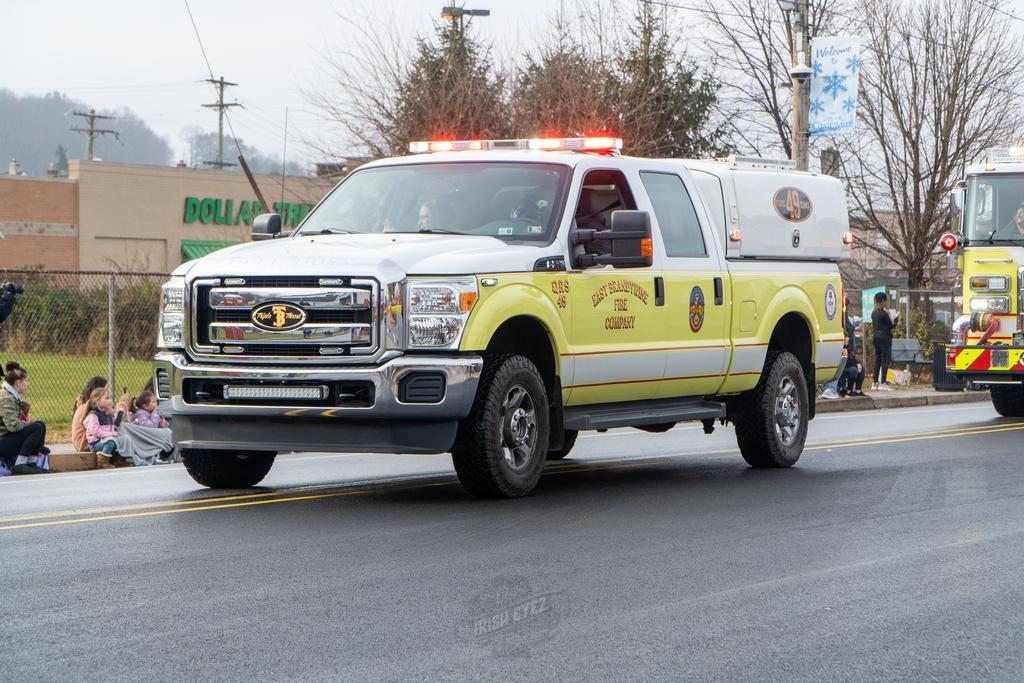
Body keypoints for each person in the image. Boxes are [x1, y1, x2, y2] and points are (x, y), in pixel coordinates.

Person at [0, 361, 48, 474]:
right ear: (18, 382)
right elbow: (13, 426)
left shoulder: (11, 395)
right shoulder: (6, 397)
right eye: (26, 380)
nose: (28, 384)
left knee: (40, 425)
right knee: (36, 427)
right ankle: (20, 465)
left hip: (6, 438)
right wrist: (28, 425)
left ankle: (31, 462)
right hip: (2, 442)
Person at [83, 387, 125, 469]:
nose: (109, 400)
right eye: (106, 398)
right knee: (111, 440)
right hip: (96, 444)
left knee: (123, 439)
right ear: (97, 401)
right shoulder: (93, 415)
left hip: (105, 440)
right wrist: (110, 434)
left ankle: (118, 460)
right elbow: (95, 431)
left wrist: (120, 413)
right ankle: (102, 462)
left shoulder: (107, 413)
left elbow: (115, 425)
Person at [72, 376, 113, 452]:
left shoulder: (86, 405)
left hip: (83, 442)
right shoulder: (89, 409)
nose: (107, 392)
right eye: (105, 390)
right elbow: (95, 429)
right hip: (85, 444)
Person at [871, 292, 897, 390]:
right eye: (885, 300)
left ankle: (875, 382)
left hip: (876, 337)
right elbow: (891, 325)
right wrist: (896, 319)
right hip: (885, 338)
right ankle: (883, 382)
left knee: (878, 360)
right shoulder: (884, 313)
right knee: (885, 359)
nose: (886, 302)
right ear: (882, 301)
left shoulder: (873, 313)